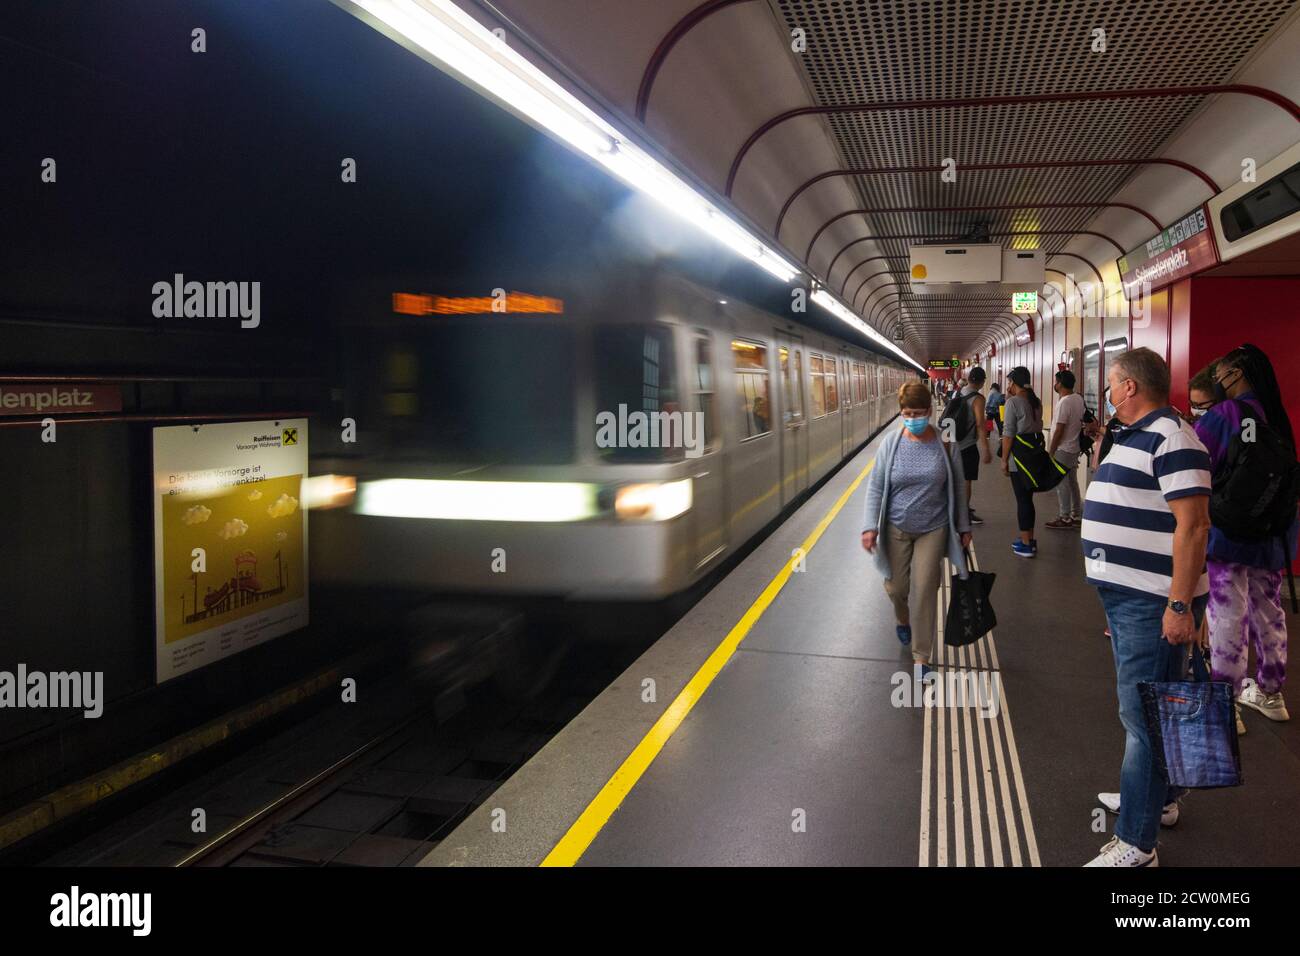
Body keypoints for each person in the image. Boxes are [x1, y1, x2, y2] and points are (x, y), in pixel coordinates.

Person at [1081, 347, 1212, 867]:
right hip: (1129, 597)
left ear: (1130, 387)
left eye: (1113, 384)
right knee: (1147, 712)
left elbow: (1195, 526)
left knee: (1144, 720)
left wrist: (1179, 605)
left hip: (1153, 602)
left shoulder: (1173, 437)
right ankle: (1156, 803)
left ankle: (1137, 844)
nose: (1109, 393)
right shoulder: (1139, 433)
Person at [1194, 344, 1296, 731]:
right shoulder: (1277, 416)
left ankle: (1225, 703)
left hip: (1227, 532)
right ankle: (1271, 692)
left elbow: (1197, 463)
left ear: (1236, 375)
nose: (1218, 381)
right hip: (1273, 535)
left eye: (1221, 374)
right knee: (1269, 611)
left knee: (1227, 615)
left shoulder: (1225, 415)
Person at [862, 381, 973, 679]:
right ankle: (902, 620)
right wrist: (869, 526)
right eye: (907, 412)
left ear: (930, 410)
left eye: (919, 412)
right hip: (896, 525)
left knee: (925, 589)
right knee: (898, 589)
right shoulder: (891, 444)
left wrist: (963, 526)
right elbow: (875, 487)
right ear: (901, 413)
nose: (913, 417)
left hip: (933, 528)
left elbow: (959, 488)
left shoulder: (945, 442)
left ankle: (921, 658)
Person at [1000, 366, 1044, 557]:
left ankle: (1026, 544)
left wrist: (1003, 460)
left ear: (1014, 383)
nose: (1008, 385)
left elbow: (1008, 434)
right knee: (1028, 499)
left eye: (1010, 382)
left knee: (1022, 500)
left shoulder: (1013, 402)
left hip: (1018, 458)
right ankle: (1029, 539)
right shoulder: (1036, 402)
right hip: (1034, 455)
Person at [949, 367, 993, 525]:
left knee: (955, 478)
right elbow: (981, 424)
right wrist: (985, 448)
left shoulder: (957, 392)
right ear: (982, 382)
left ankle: (955, 509)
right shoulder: (978, 399)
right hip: (967, 444)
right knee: (966, 480)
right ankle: (964, 512)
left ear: (969, 379)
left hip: (953, 442)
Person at [1046, 369, 1085, 530]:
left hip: (1063, 448)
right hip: (1074, 447)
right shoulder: (1078, 399)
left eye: (1056, 382)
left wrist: (1051, 450)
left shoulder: (1064, 402)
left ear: (1060, 383)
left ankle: (1065, 517)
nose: (1055, 385)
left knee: (1061, 483)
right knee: (1072, 482)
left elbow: (1059, 430)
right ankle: (1076, 514)